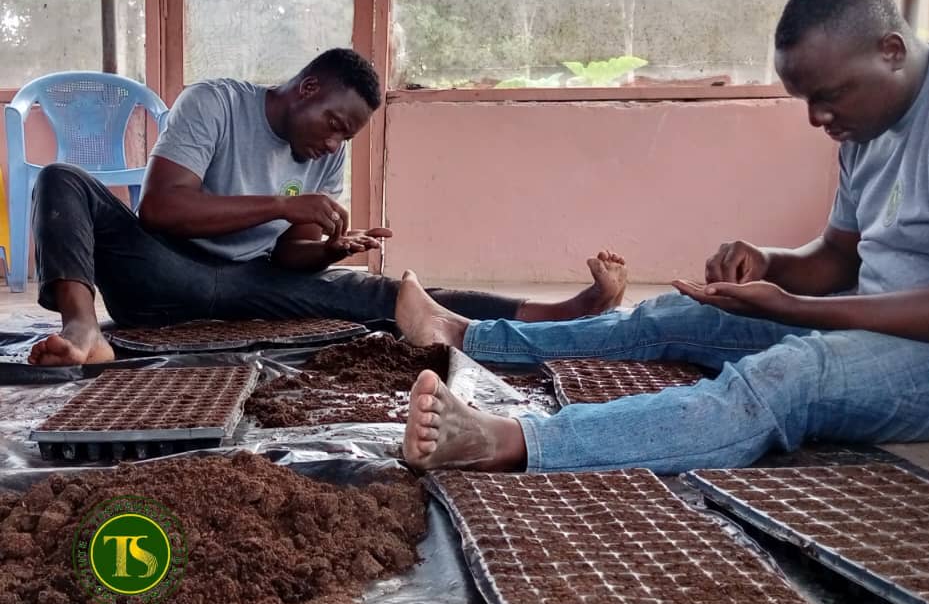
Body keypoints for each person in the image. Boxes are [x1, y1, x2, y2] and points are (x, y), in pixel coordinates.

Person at [393, 0, 929, 475]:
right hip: (890, 323)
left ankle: (507, 439)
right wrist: (770, 264)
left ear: (892, 50)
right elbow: (838, 259)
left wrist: (805, 312)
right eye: (806, 100)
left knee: (789, 375)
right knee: (670, 319)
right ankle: (468, 333)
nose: (819, 120)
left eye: (829, 95)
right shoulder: (868, 125)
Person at [27, 48, 627, 366]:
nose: (334, 143)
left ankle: (564, 311)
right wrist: (284, 208)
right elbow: (160, 209)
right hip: (164, 271)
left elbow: (290, 260)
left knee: (387, 295)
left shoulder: (324, 157)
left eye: (347, 137)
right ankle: (84, 332)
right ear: (308, 89)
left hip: (249, 286)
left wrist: (324, 250)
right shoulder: (213, 102)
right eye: (335, 125)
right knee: (62, 180)